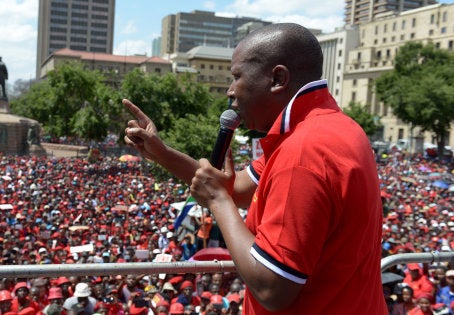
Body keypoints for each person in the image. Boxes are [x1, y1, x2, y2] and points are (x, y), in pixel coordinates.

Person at [123, 22, 386, 314]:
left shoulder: (303, 152)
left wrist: (218, 202)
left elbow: (271, 288)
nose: (230, 91)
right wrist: (162, 154)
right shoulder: (331, 127)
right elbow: (235, 188)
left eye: (237, 77)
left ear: (277, 78)